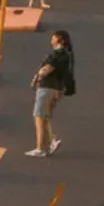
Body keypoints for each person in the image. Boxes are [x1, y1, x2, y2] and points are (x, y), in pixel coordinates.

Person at [28, 29, 74, 158]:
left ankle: (40, 148)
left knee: (39, 117)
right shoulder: (66, 55)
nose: (51, 40)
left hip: (47, 88)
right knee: (46, 116)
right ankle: (52, 140)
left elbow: (47, 70)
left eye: (54, 38)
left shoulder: (56, 55)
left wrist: (38, 75)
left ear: (60, 40)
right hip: (57, 89)